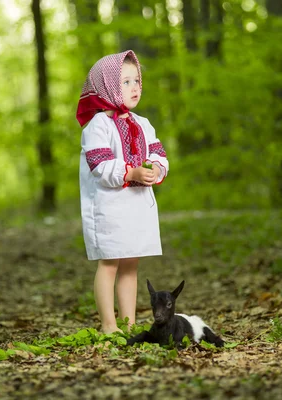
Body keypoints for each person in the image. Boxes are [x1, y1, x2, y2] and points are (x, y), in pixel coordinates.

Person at [76, 50, 169, 334]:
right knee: (110, 263)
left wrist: (155, 168)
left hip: (137, 206)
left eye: (137, 81)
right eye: (126, 82)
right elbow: (99, 163)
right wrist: (130, 172)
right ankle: (108, 324)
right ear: (107, 86)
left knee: (131, 264)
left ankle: (128, 325)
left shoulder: (143, 124)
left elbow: (158, 154)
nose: (135, 87)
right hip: (110, 206)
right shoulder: (98, 126)